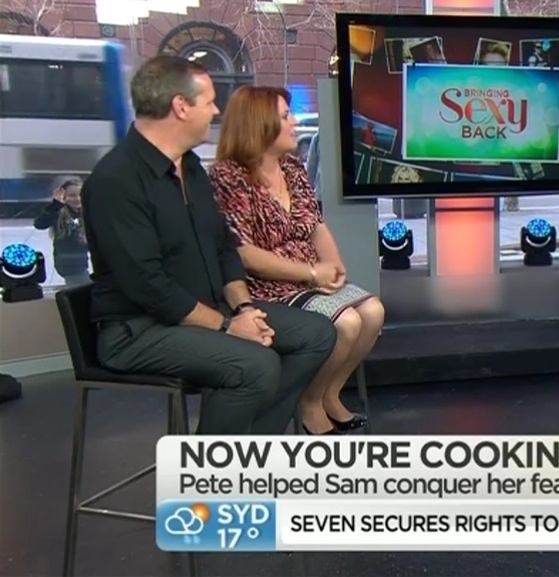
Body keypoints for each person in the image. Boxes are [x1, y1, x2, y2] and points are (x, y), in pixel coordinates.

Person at [82, 56, 338, 435]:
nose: (217, 111)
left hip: (208, 309)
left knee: (317, 334)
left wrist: (244, 308)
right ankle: (207, 468)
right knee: (255, 365)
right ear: (180, 107)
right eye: (209, 102)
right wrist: (228, 326)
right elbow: (149, 286)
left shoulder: (190, 168)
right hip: (140, 330)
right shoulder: (116, 181)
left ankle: (255, 447)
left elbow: (223, 247)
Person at [208, 86, 386, 436]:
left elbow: (316, 225)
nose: (294, 123)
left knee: (373, 312)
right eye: (286, 116)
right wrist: (311, 273)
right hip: (266, 287)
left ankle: (330, 393)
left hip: (311, 277)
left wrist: (335, 268)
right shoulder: (228, 176)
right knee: (347, 322)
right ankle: (309, 402)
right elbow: (244, 253)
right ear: (260, 123)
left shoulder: (292, 167)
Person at [33, 176, 90, 286]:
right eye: (72, 195)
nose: (77, 199)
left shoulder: (85, 213)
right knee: (83, 287)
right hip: (67, 262)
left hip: (81, 261)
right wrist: (56, 205)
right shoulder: (59, 213)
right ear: (63, 196)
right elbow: (39, 224)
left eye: (80, 195)